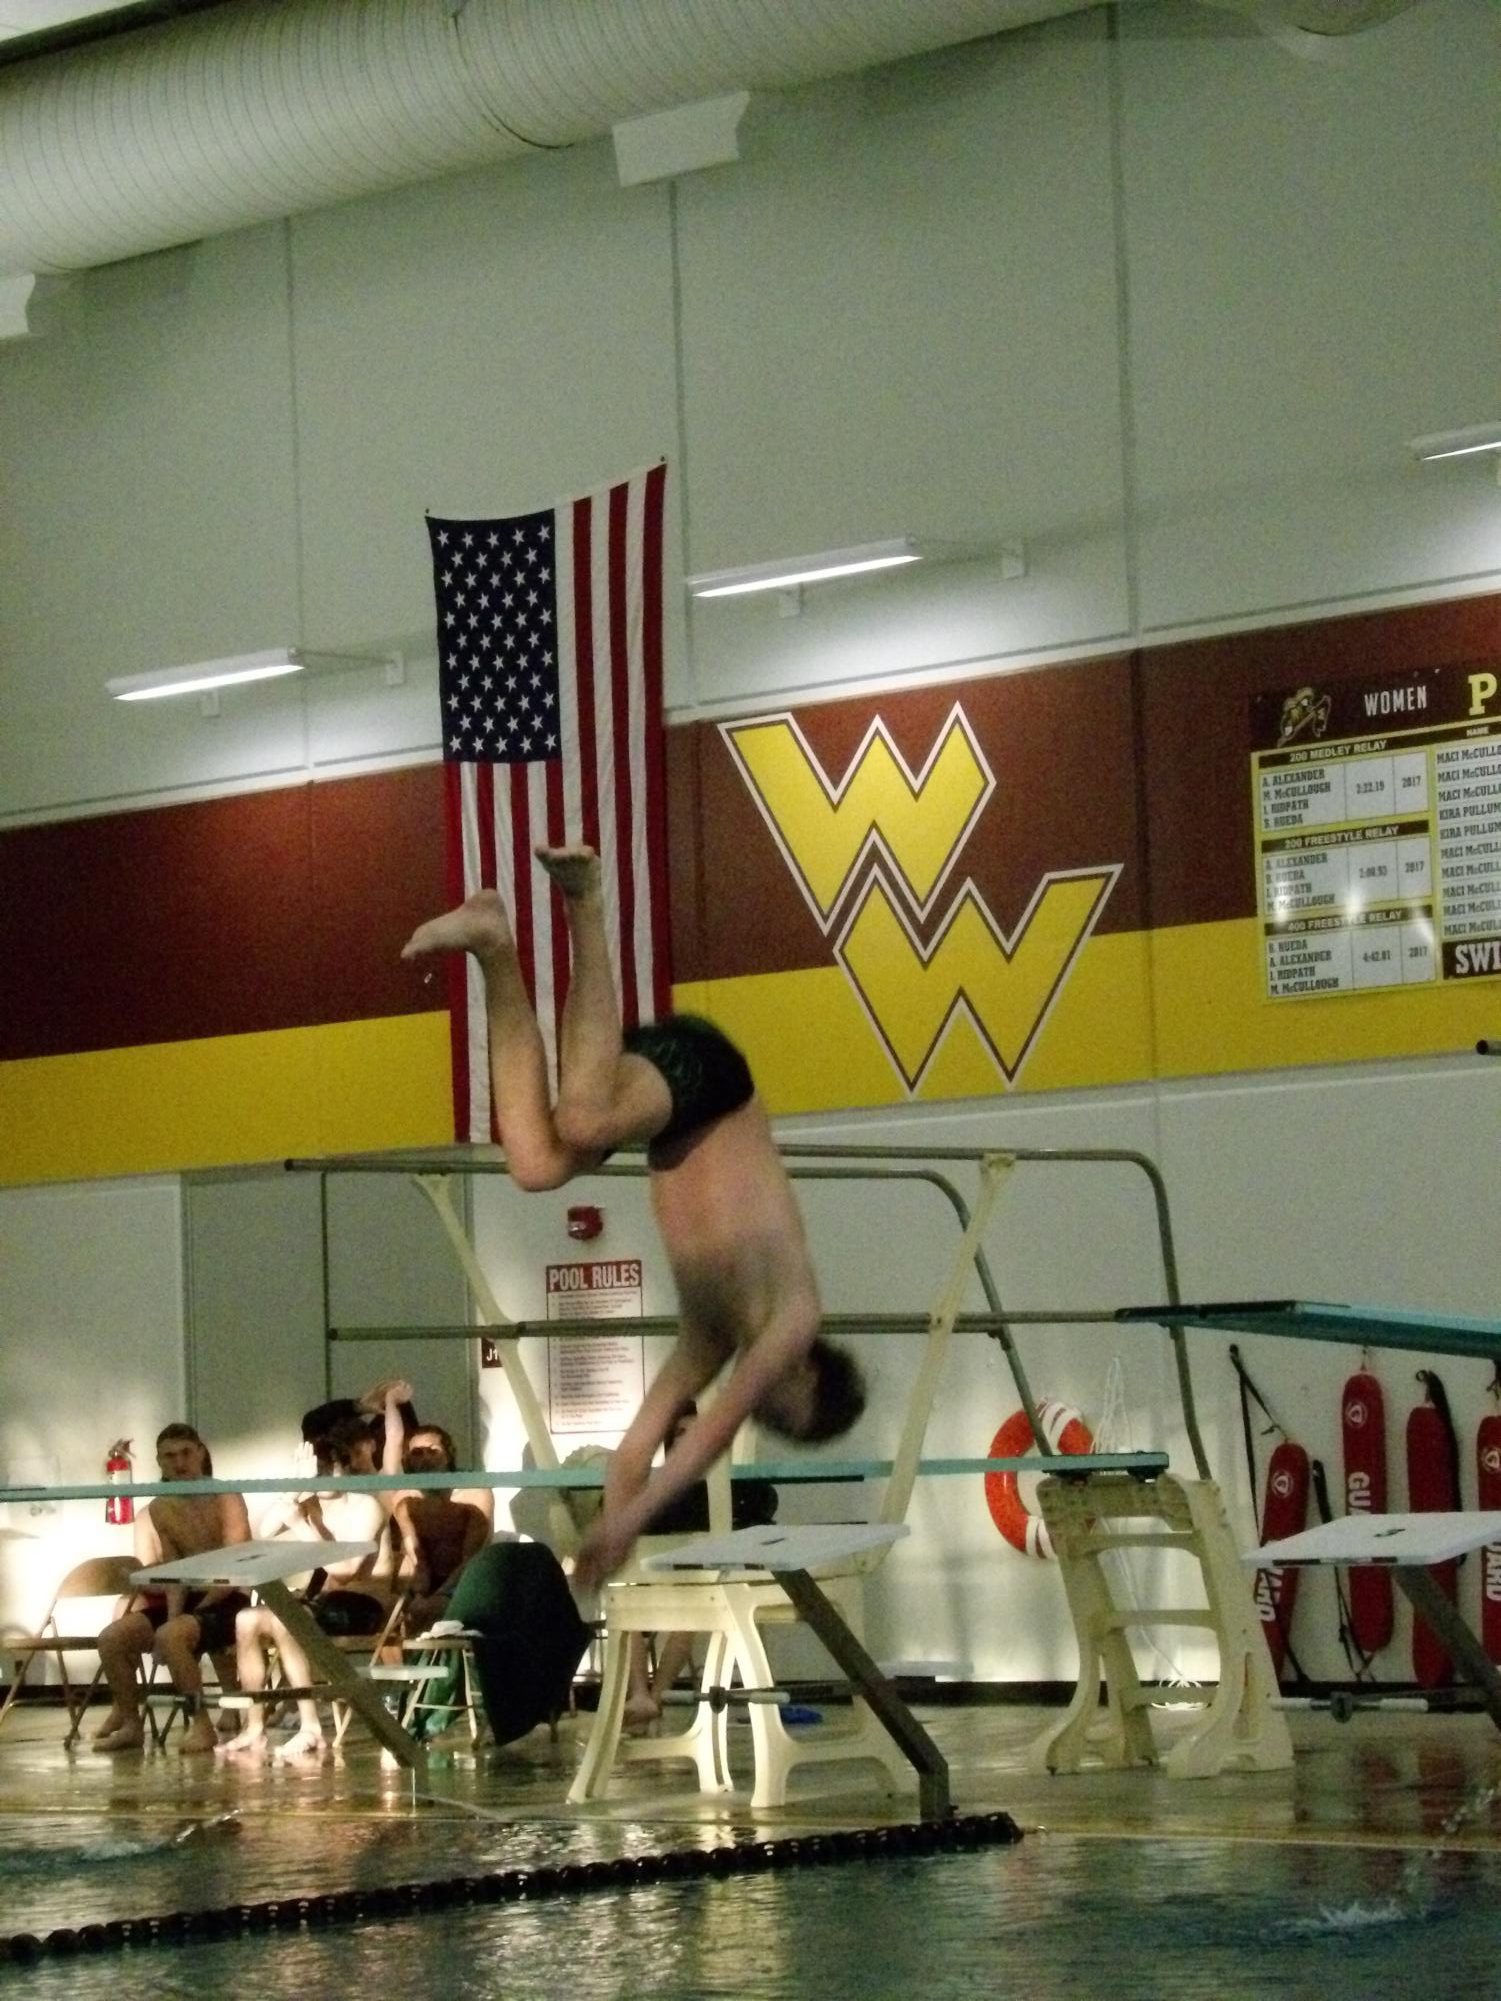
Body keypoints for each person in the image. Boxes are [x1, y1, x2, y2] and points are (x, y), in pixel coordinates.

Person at [401, 844, 865, 1591]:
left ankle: (493, 944)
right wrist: (629, 1521)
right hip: (712, 1084)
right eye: (788, 1408)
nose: (768, 1406)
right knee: (582, 1119)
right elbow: (710, 1433)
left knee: (534, 1162)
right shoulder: (794, 1314)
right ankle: (585, 898)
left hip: (664, 1115)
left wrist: (613, 1562)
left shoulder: (710, 1335)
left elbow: (631, 1451)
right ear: (808, 1371)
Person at [222, 1415, 395, 1764]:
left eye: (326, 1470)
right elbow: (262, 1534)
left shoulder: (366, 1506)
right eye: (313, 1472)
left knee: (290, 1618)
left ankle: (311, 1725)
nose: (319, 1479)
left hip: (364, 1603)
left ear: (344, 1470)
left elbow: (345, 1572)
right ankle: (255, 1725)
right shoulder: (309, 1502)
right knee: (246, 1619)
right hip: (324, 1602)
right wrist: (291, 1491)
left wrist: (301, 1525)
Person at [93, 1423, 251, 1754]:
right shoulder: (161, 1507)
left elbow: (236, 1569)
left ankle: (200, 1724)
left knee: (172, 1636)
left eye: (186, 1454)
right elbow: (175, 1573)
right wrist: (174, 1615)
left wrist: (186, 1618)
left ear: (201, 1453)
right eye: (170, 1456)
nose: (179, 1463)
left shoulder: (226, 1496)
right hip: (189, 1595)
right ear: (159, 1461)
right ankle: (132, 1724)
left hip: (228, 1596)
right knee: (112, 1638)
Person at [392, 1426, 491, 1631]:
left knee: (434, 1610)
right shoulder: (404, 1500)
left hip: (466, 1578)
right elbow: (417, 1556)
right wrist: (419, 1595)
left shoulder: (474, 1494)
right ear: (408, 1460)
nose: (425, 1458)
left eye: (433, 1450)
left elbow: (472, 1558)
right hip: (426, 1578)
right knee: (394, 1610)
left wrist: (437, 1598)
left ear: (448, 1455)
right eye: (417, 1453)